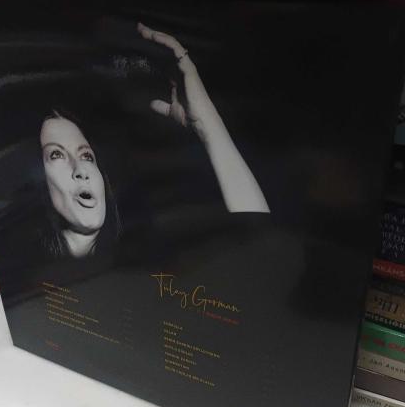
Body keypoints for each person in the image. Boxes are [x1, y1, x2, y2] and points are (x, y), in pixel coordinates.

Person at [39, 23, 270, 260]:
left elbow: (260, 241)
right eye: (56, 154)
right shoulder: (27, 267)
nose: (80, 170)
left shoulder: (142, 257)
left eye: (86, 155)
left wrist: (207, 125)